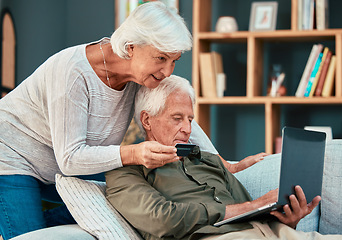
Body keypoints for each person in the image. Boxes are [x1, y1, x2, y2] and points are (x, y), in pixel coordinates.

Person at [0, 2, 220, 239]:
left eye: (174, 60)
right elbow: (70, 159)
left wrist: (222, 166)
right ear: (131, 47)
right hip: (14, 157)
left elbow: (175, 116)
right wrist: (134, 153)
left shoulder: (141, 76)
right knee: (33, 235)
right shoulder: (73, 73)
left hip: (67, 164)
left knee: (135, 197)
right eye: (161, 58)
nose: (168, 71)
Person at [105, 75, 341, 240]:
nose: (187, 129)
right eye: (177, 118)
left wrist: (289, 219)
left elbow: (250, 214)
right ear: (147, 120)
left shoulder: (208, 160)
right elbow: (161, 219)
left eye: (190, 119)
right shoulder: (126, 170)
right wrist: (254, 205)